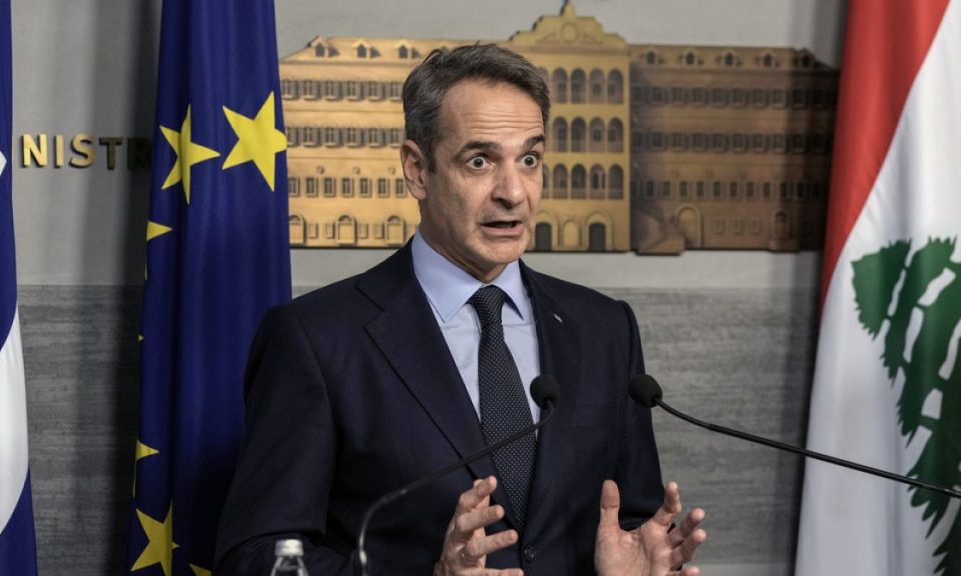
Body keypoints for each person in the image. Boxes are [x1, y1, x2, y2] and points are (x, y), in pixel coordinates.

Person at [215, 44, 706, 575]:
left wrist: (638, 564)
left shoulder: (604, 327)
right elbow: (257, 557)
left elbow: (628, 519)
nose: (514, 192)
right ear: (417, 170)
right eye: (480, 161)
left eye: (530, 159)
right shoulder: (317, 338)